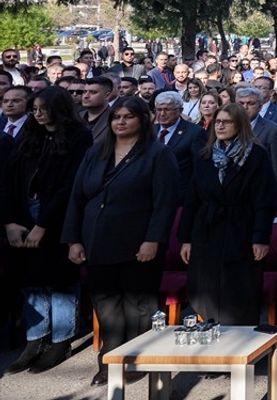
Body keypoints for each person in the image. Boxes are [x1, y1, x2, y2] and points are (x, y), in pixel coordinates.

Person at [63, 95, 179, 387]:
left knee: (138, 304)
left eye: (128, 116)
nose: (121, 122)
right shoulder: (95, 153)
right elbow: (77, 197)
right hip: (98, 240)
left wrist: (153, 239)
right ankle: (111, 359)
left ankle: (138, 357)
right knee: (106, 304)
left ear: (142, 120)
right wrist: (74, 239)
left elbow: (165, 203)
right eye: (116, 117)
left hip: (138, 242)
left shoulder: (157, 154)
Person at [2, 87, 92, 373]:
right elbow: (9, 179)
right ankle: (35, 338)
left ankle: (60, 339)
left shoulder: (78, 136)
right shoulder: (30, 133)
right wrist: (10, 222)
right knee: (31, 278)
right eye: (35, 108)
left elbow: (70, 185)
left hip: (58, 216)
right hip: (25, 211)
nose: (38, 114)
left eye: (44, 108)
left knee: (59, 280)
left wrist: (44, 225)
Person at [178, 103, 276, 325]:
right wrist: (185, 239)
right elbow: (192, 199)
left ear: (239, 124)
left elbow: (264, 200)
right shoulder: (204, 154)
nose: (220, 126)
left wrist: (260, 238)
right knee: (206, 290)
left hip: (241, 229)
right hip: (207, 230)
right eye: (217, 121)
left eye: (226, 122)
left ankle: (240, 349)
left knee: (238, 293)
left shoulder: (256, 155)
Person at [235, 86, 277, 177]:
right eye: (241, 103)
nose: (245, 107)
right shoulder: (228, 126)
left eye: (250, 103)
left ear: (260, 107)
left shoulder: (273, 130)